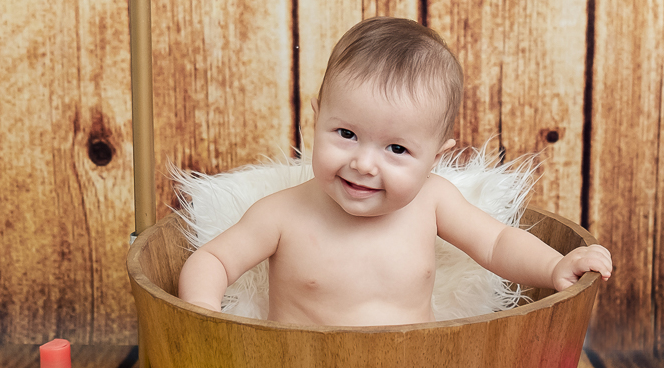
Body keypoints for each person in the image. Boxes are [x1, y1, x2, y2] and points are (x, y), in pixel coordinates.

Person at [177, 16, 612, 326]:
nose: (364, 163)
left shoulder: (433, 201)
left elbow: (498, 243)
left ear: (435, 158)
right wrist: (202, 309)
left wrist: (557, 265)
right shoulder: (282, 214)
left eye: (397, 148)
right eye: (346, 133)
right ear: (316, 120)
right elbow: (213, 258)